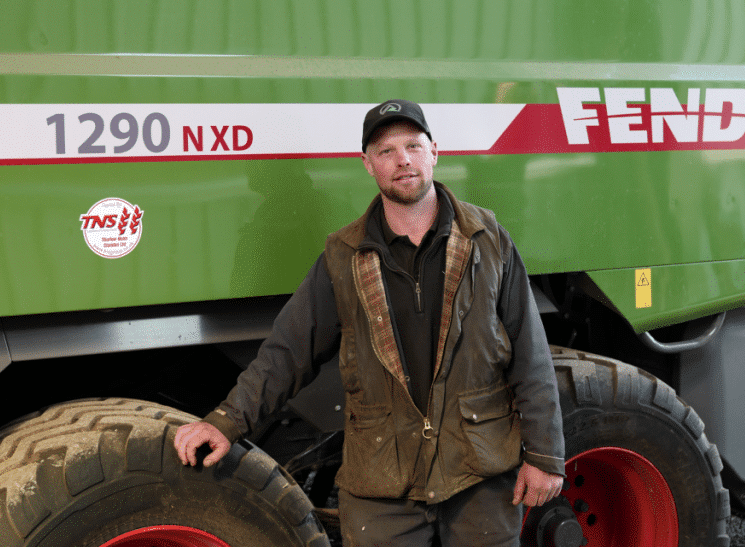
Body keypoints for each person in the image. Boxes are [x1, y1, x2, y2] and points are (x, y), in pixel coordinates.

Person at [174, 100, 565, 546]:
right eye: (385, 150)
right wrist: (226, 421)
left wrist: (545, 456)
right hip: (383, 486)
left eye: (413, 146)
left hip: (477, 475)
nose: (402, 159)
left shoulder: (487, 241)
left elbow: (530, 355)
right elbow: (287, 352)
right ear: (367, 164)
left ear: (434, 152)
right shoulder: (344, 257)